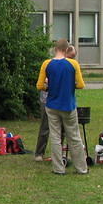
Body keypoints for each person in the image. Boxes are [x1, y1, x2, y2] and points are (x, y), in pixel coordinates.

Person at [36, 38, 87, 175]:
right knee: (74, 137)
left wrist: (49, 87)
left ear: (55, 49)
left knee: (55, 137)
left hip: (52, 105)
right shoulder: (73, 64)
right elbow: (81, 85)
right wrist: (71, 85)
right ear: (66, 50)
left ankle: (58, 169)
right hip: (68, 105)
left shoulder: (47, 64)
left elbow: (40, 86)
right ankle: (81, 168)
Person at [34, 44, 77, 162]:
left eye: (73, 57)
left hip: (62, 101)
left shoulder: (70, 66)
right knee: (45, 127)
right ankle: (39, 153)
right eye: (71, 56)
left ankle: (58, 155)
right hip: (48, 100)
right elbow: (43, 82)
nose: (72, 59)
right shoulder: (51, 64)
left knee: (63, 129)